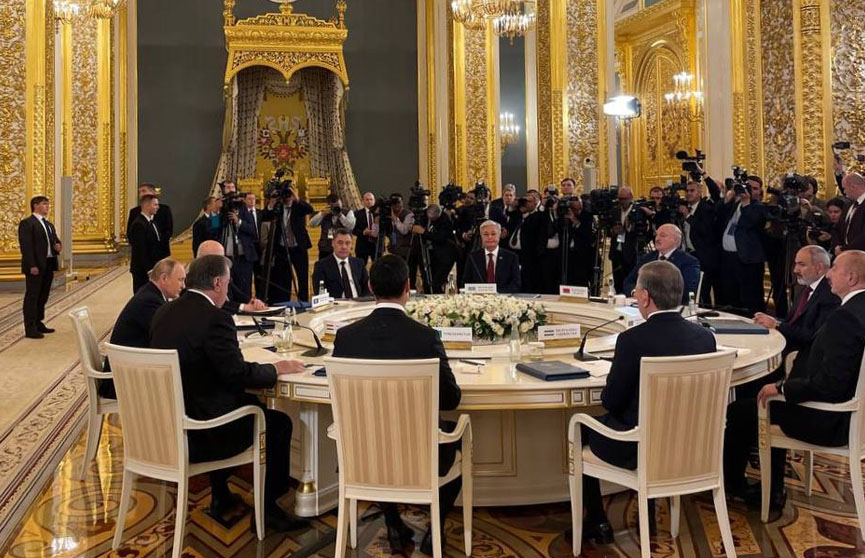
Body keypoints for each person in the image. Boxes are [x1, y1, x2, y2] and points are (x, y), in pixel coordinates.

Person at [150, 255, 308, 530]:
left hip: (167, 424)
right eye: (228, 283)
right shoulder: (215, 318)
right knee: (278, 423)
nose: (229, 289)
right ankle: (269, 509)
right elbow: (237, 373)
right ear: (217, 283)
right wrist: (275, 368)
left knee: (246, 401)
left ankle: (220, 494)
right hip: (202, 431)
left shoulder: (164, 312)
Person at [577, 261, 716, 542]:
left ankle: (597, 521)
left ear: (644, 297)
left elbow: (611, 402)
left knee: (582, 427)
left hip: (640, 448)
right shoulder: (705, 338)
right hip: (693, 446)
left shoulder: (632, 340)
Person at [331, 255, 462, 555]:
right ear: (407, 287)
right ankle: (435, 529)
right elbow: (451, 399)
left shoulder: (346, 337)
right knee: (457, 434)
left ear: (370, 287)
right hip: (420, 454)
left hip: (361, 454)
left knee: (377, 436)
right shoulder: (425, 337)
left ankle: (393, 522)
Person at [723, 250, 865, 514]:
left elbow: (830, 384)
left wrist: (783, 388)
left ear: (852, 278)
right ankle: (768, 486)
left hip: (829, 419)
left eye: (834, 268)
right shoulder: (857, 309)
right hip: (848, 413)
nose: (829, 274)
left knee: (742, 410)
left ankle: (735, 485)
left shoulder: (845, 317)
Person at [99, 258, 186, 398]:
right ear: (164, 278)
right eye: (180, 280)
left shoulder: (151, 294)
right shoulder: (149, 301)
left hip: (131, 369)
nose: (183, 286)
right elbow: (167, 337)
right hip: (122, 381)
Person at [753, 245, 840, 355]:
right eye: (796, 264)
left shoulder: (830, 294)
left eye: (802, 264)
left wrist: (777, 324)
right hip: (786, 344)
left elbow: (813, 336)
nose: (795, 270)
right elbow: (792, 323)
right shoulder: (806, 287)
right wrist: (769, 320)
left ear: (819, 268)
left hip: (802, 354)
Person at [716, 176, 767, 315]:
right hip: (728, 259)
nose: (750, 191)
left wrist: (746, 203)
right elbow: (718, 214)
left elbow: (751, 222)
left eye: (754, 188)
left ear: (760, 192)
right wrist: (728, 197)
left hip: (747, 260)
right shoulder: (735, 204)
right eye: (748, 187)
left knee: (750, 299)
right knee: (731, 297)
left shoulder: (759, 207)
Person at [18, 196, 62, 339]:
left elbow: (55, 240)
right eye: (44, 204)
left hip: (48, 263)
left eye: (48, 204)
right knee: (33, 296)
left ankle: (38, 322)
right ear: (35, 205)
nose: (47, 206)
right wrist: (32, 265)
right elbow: (26, 247)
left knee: (43, 295)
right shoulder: (27, 223)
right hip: (35, 265)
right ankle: (30, 327)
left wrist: (58, 246)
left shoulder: (48, 224)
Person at [262, 185, 315, 302]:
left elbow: (310, 209)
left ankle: (303, 302)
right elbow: (265, 216)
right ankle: (284, 301)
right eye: (285, 194)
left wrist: (296, 197)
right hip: (282, 248)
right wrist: (272, 202)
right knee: (284, 278)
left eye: (289, 193)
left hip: (298, 247)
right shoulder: (278, 207)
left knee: (302, 277)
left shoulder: (298, 206)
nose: (287, 196)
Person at [622, 224, 700, 304]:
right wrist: (635, 292)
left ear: (675, 240)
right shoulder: (647, 258)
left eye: (662, 235)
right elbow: (629, 281)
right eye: (656, 235)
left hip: (672, 306)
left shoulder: (688, 261)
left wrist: (653, 298)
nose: (657, 238)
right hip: (643, 304)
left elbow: (687, 291)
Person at [678, 178, 721, 304]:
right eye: (687, 191)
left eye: (692, 191)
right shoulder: (683, 209)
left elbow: (705, 230)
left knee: (704, 290)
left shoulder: (706, 209)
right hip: (688, 253)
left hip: (704, 256)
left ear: (699, 193)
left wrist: (688, 216)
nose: (688, 193)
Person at [196, 240, 266, 314]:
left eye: (221, 259)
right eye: (215, 260)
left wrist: (252, 302)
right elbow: (213, 302)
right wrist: (243, 307)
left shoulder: (223, 275)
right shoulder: (195, 280)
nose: (219, 264)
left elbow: (238, 295)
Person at [462, 220, 521, 293]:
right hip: (479, 298)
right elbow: (466, 283)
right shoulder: (472, 257)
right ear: (481, 236)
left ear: (499, 235)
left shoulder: (511, 257)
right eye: (486, 234)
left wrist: (497, 293)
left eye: (493, 234)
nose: (489, 237)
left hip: (503, 297)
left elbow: (516, 285)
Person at [311, 229, 370, 298]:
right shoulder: (321, 266)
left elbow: (367, 289)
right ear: (333, 243)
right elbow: (320, 294)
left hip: (359, 302)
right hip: (335, 303)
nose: (344, 247)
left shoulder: (359, 263)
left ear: (351, 245)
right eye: (340, 243)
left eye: (347, 243)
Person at [412, 204, 458, 293]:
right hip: (427, 252)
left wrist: (424, 232)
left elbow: (441, 238)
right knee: (426, 280)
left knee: (436, 282)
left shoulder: (445, 220)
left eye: (434, 219)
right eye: (430, 218)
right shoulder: (422, 215)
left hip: (443, 255)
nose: (431, 220)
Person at [128, 194, 168, 293]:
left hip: (154, 267)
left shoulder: (152, 222)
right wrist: (149, 270)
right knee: (142, 295)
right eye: (155, 205)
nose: (158, 207)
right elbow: (140, 250)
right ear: (146, 205)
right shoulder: (139, 224)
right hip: (143, 271)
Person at [126, 183, 173, 256]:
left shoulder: (164, 210)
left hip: (162, 251)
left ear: (153, 192)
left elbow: (168, 230)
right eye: (140, 192)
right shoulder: (134, 212)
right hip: (142, 254)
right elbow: (130, 233)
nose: (141, 194)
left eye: (144, 191)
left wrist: (158, 245)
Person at [609, 186, 639, 293]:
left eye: (624, 199)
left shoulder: (637, 211)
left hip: (631, 252)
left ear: (631, 198)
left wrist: (629, 228)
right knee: (618, 283)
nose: (622, 202)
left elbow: (641, 231)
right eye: (620, 199)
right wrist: (613, 231)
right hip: (617, 251)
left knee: (630, 282)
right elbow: (608, 228)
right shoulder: (615, 210)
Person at [311, 193, 356, 260]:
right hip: (325, 248)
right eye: (333, 205)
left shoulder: (348, 212)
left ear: (340, 202)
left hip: (343, 248)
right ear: (329, 205)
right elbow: (312, 224)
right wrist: (322, 214)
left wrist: (340, 215)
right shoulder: (325, 213)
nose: (336, 207)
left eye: (338, 205)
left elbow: (350, 226)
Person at [837, 172, 865, 254]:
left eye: (845, 188)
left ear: (853, 187)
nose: (844, 192)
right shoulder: (848, 205)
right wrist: (837, 245)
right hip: (845, 253)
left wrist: (845, 249)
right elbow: (838, 227)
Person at [353, 191, 378, 264]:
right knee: (360, 267)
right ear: (363, 201)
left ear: (374, 201)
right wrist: (363, 232)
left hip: (376, 245)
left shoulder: (379, 214)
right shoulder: (357, 214)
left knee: (378, 267)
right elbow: (353, 230)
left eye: (371, 199)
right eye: (367, 200)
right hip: (362, 246)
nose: (369, 201)